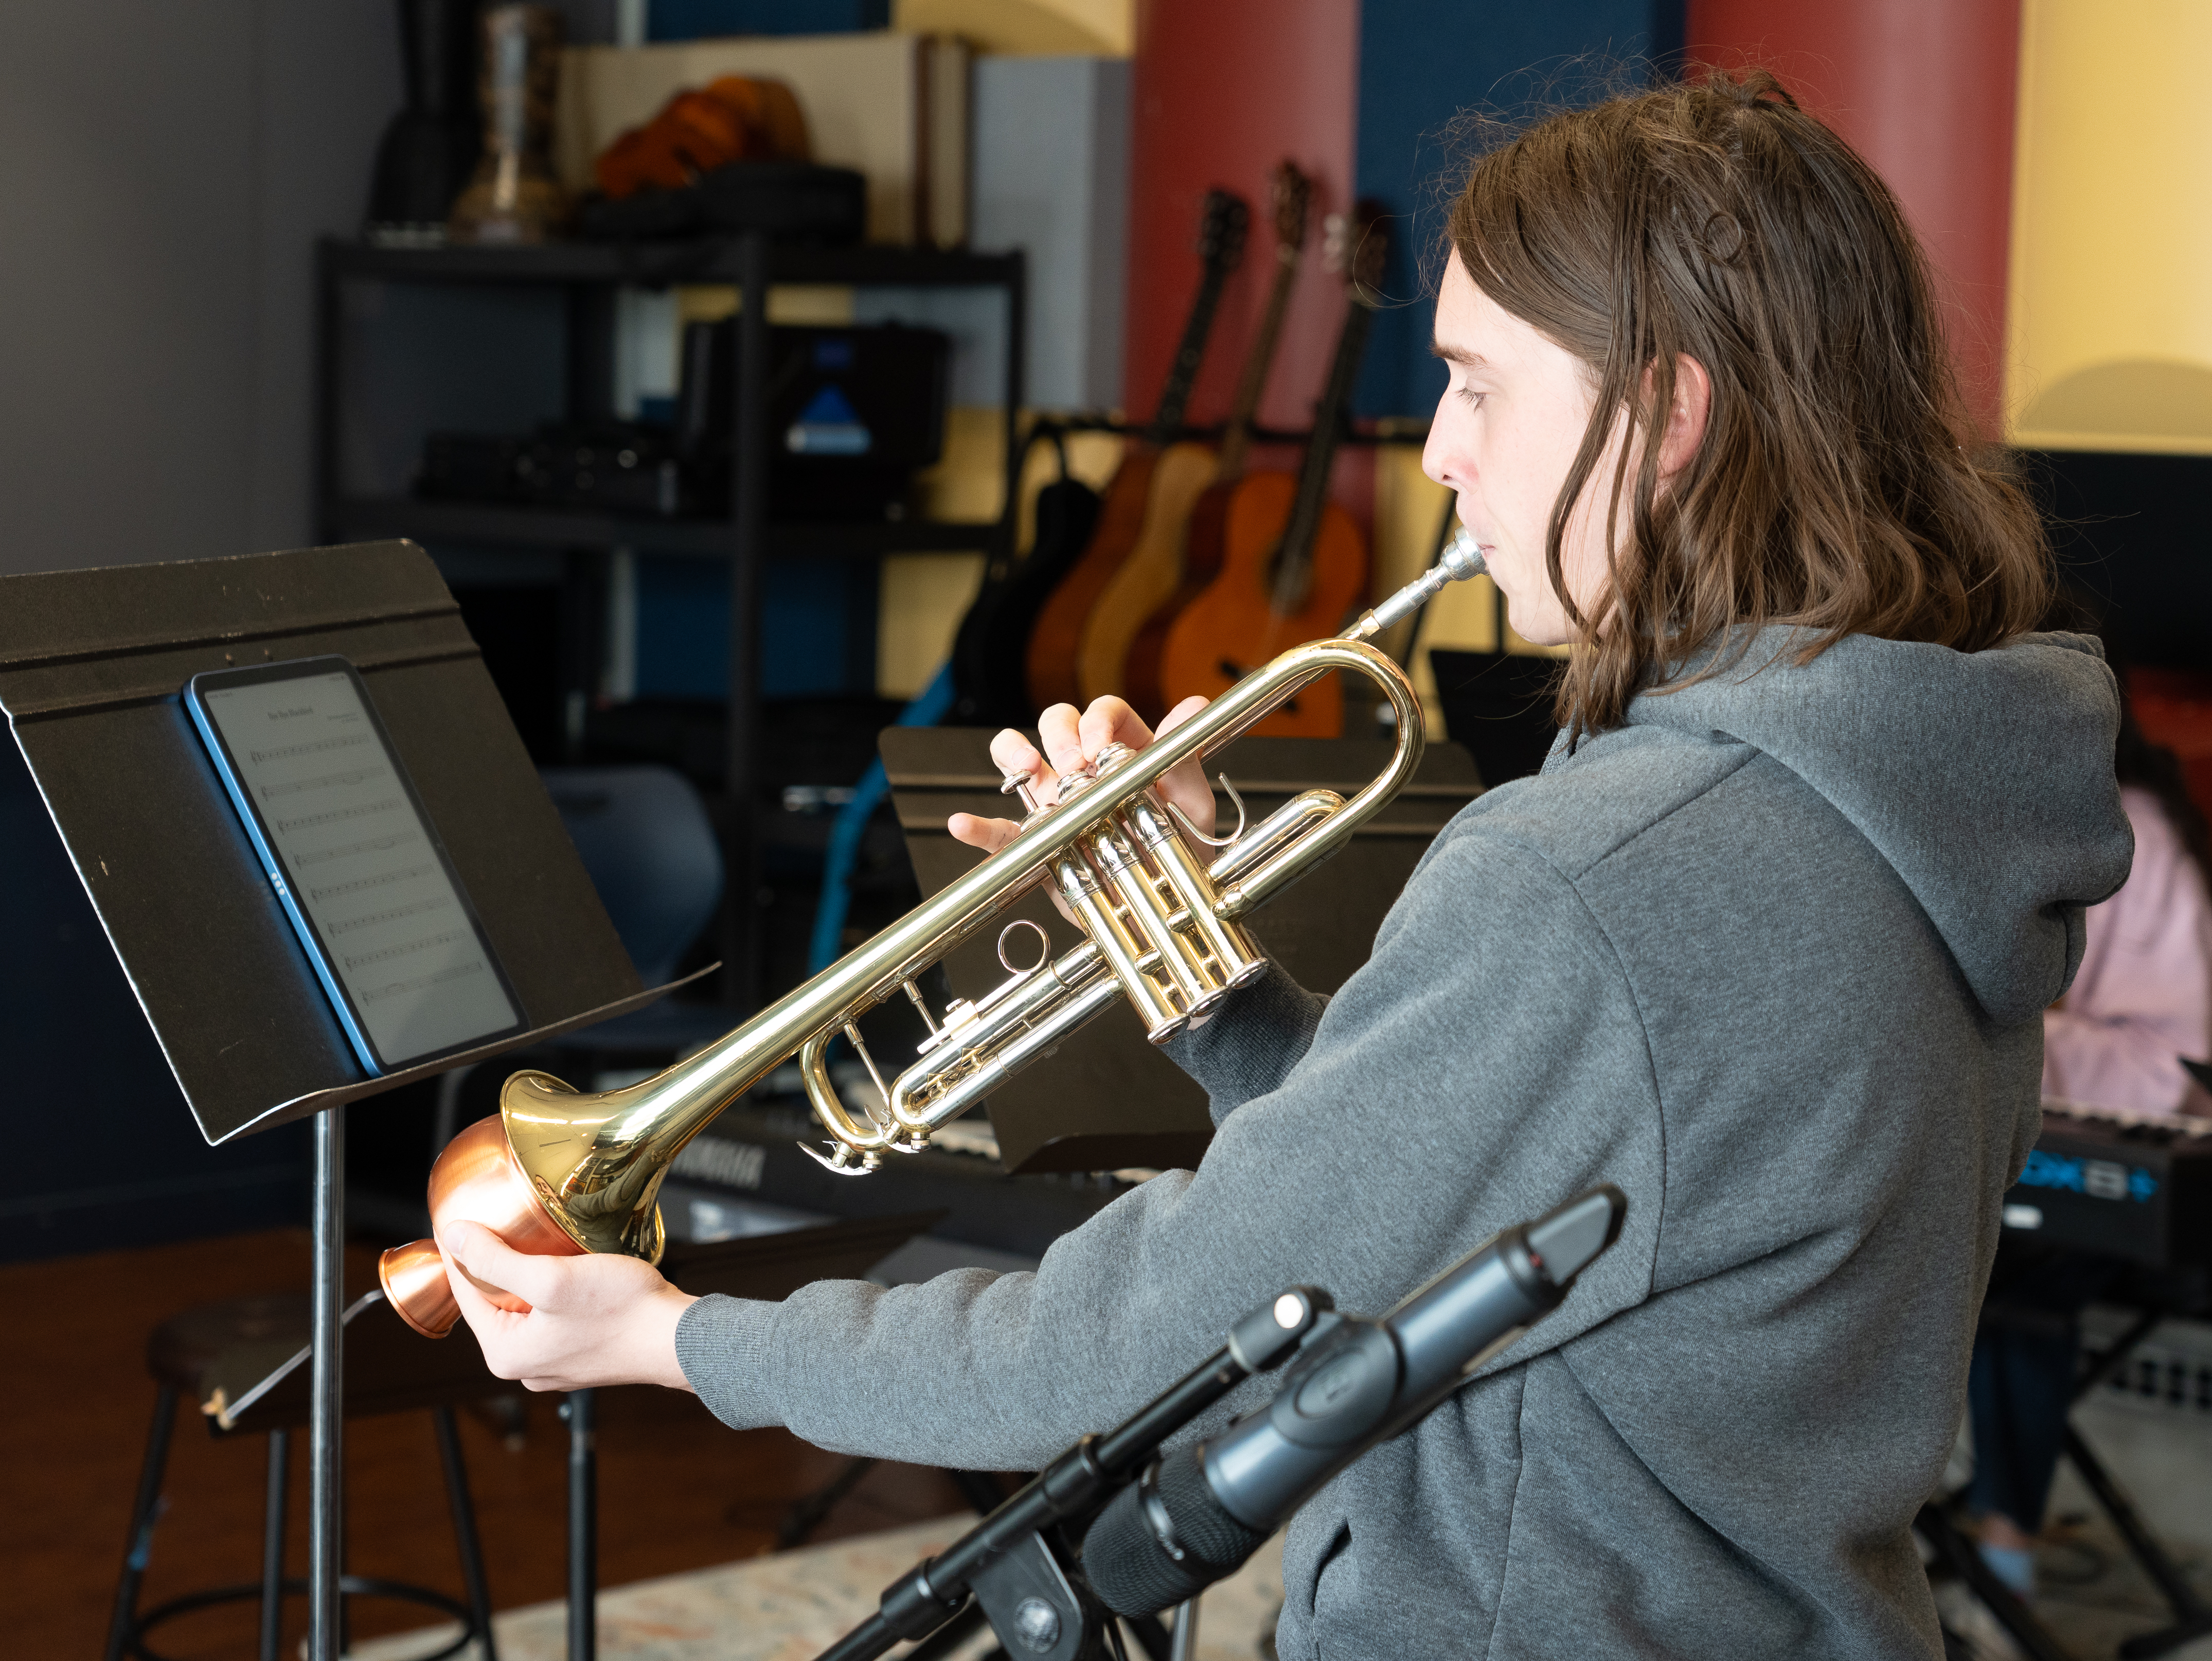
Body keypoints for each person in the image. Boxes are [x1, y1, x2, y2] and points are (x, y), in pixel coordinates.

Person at [435, 71, 2134, 1658]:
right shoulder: (1902, 798)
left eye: (1478, 385)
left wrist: (672, 1336)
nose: (1441, 455)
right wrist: (1200, 967)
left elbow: (1140, 1335)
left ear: (1666, 416)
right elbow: (1510, 1198)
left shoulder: (1601, 873)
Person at [1968, 684, 2212, 1595]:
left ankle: (2004, 1556)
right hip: (2013, 1151)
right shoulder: (1985, 822)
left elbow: (2173, 1066)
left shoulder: (2136, 832)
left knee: (2010, 1282)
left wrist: (1991, 1032)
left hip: (2156, 1176)